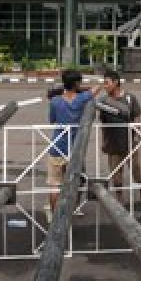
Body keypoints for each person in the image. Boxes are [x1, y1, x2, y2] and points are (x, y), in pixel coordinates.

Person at [95, 70, 141, 211]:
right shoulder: (103, 101)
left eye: (107, 83)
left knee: (138, 172)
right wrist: (104, 140)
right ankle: (120, 200)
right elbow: (102, 122)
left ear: (116, 82)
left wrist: (136, 134)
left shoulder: (129, 98)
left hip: (130, 142)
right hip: (113, 144)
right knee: (116, 175)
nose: (105, 86)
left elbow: (137, 116)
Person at [45, 69, 94, 222]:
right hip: (75, 148)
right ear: (77, 84)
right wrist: (84, 89)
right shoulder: (82, 99)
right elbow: (95, 90)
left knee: (55, 185)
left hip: (57, 146)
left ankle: (56, 219)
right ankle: (71, 211)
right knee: (76, 181)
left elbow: (52, 120)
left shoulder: (55, 101)